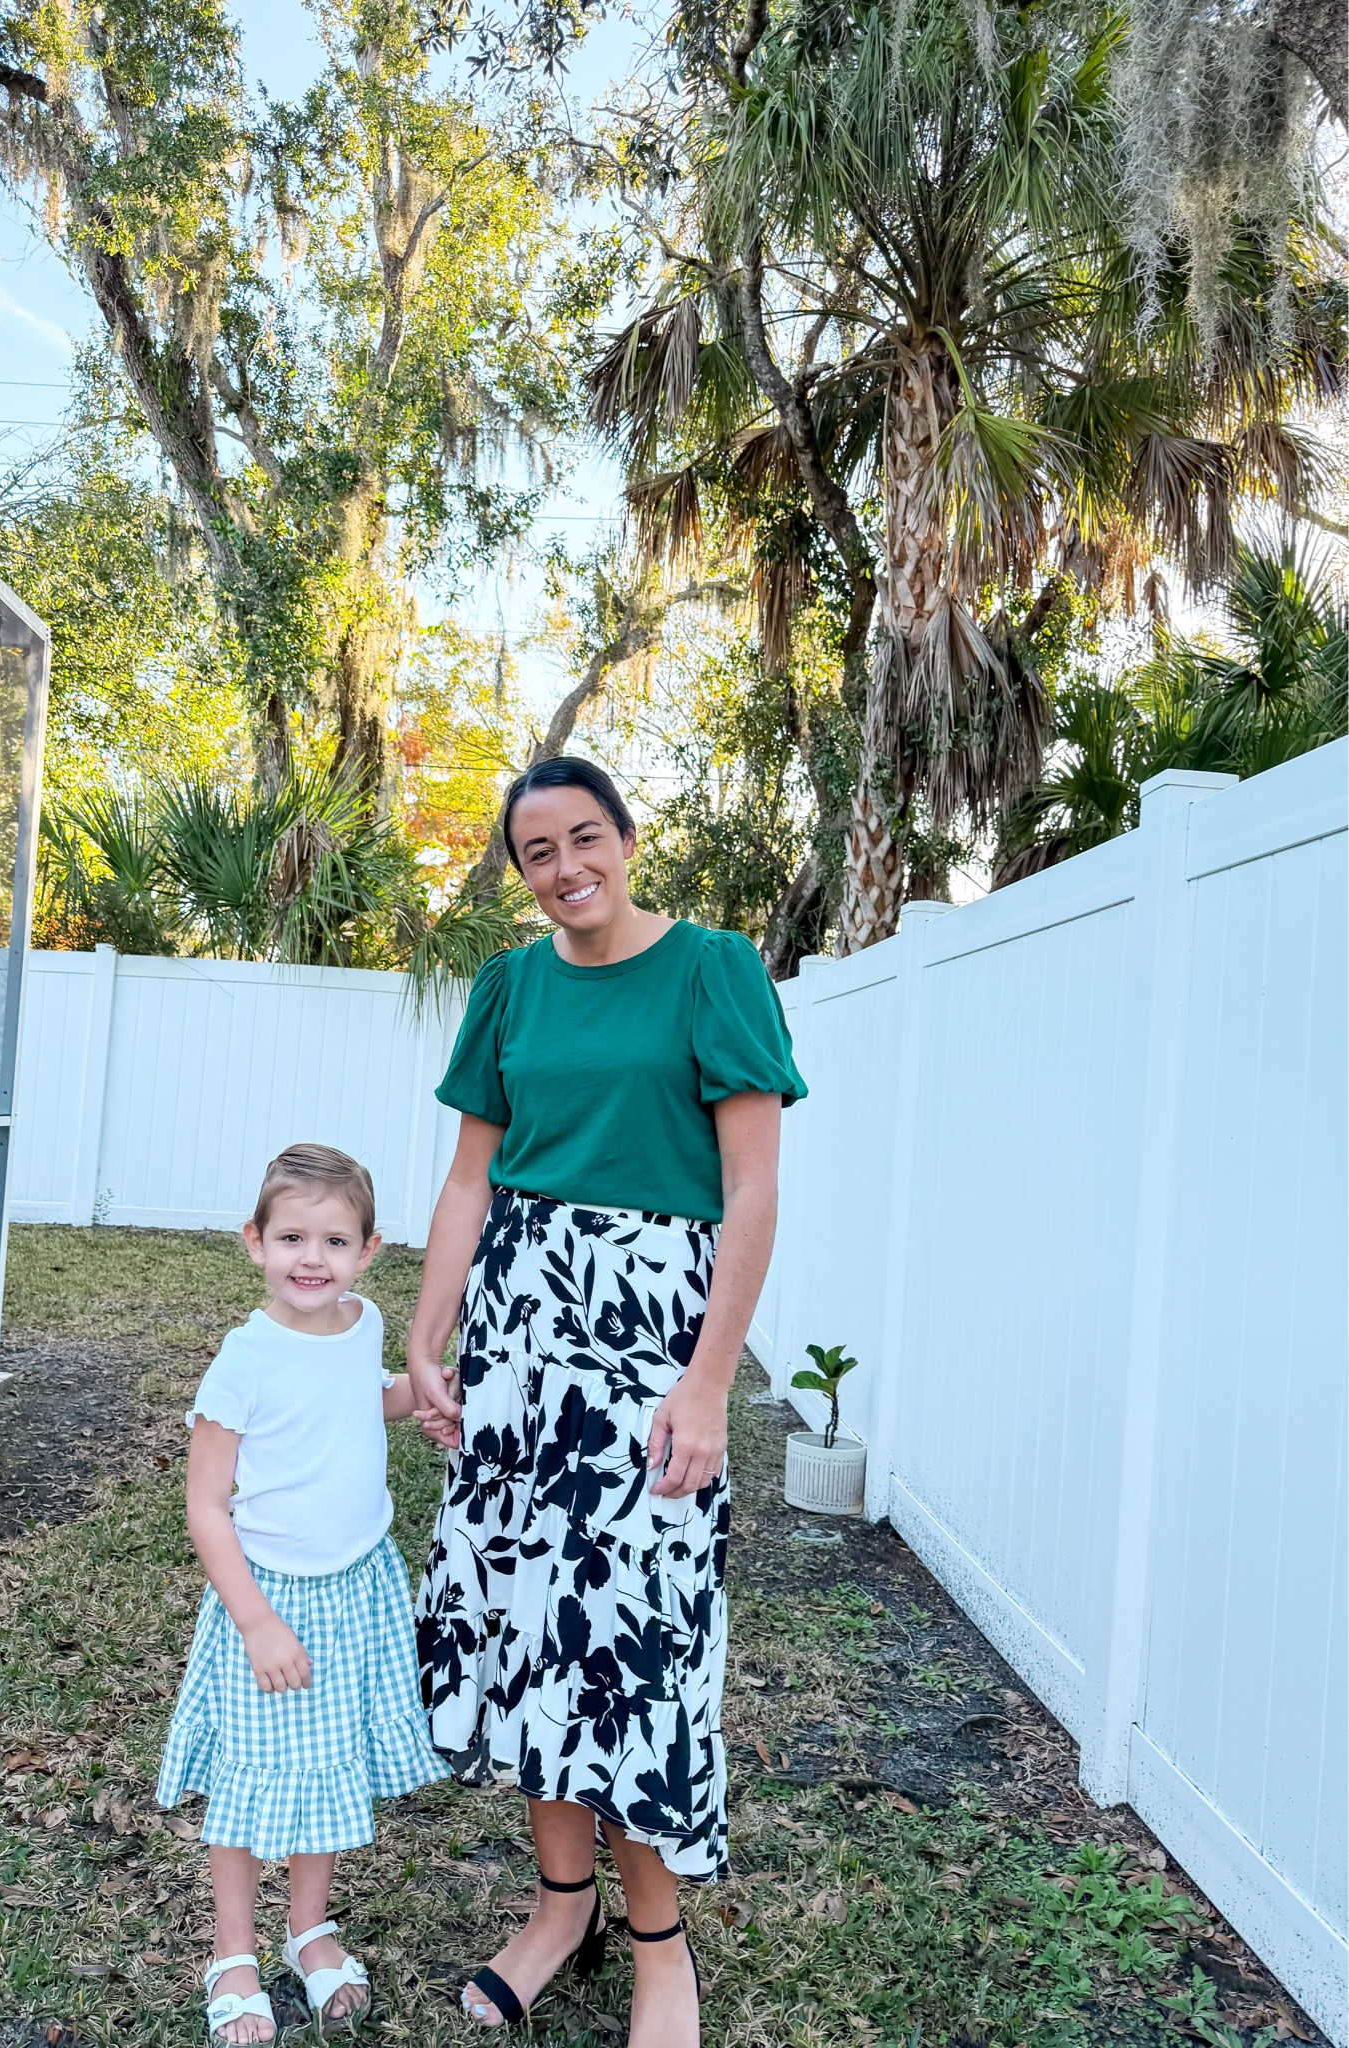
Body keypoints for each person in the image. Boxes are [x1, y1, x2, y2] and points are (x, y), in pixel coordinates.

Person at [406, 757, 806, 2047]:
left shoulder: (714, 968)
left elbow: (750, 1192)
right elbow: (472, 1181)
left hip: (648, 1350)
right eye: (537, 852)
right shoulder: (509, 987)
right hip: (519, 1342)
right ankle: (557, 1905)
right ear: (519, 872)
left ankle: (660, 1946)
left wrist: (708, 1382)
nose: (567, 866)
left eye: (586, 838)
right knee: (530, 1628)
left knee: (633, 1641)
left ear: (627, 839)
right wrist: (429, 1331)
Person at [156, 1144, 447, 2045]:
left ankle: (307, 1928)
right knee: (249, 1784)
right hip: (270, 1600)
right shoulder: (245, 1358)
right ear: (254, 1243)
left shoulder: (362, 1322)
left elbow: (364, 1398)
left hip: (356, 1589)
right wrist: (255, 1621)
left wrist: (425, 1397)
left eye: (334, 1239)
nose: (311, 1258)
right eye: (291, 1237)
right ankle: (232, 1947)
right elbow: (206, 1508)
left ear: (370, 1249)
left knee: (328, 1771)